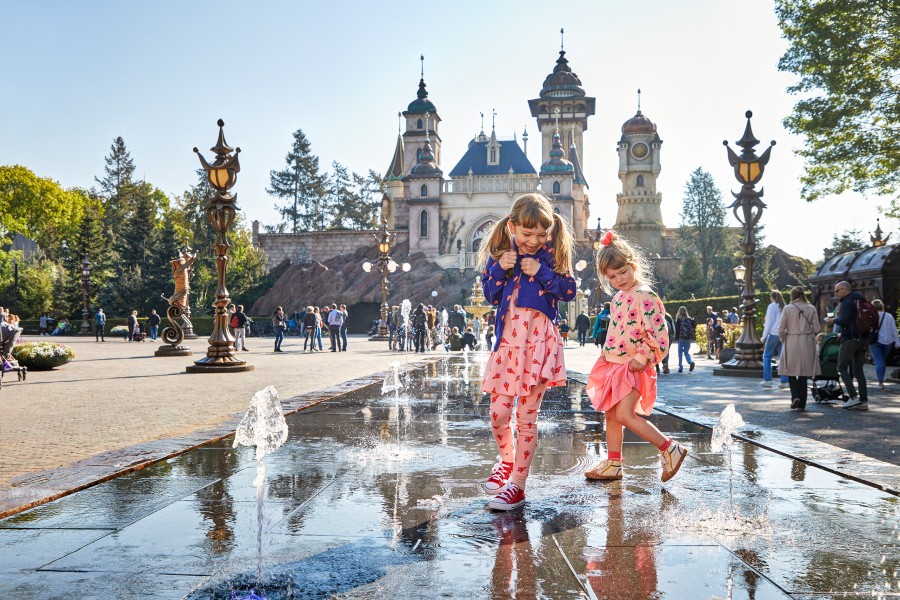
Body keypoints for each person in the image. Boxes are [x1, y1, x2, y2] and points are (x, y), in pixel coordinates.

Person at [478, 192, 577, 511]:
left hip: (538, 346)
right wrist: (498, 268)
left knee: (526, 418)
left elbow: (569, 291)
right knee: (498, 414)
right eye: (527, 233)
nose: (534, 240)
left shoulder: (551, 254)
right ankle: (506, 461)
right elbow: (491, 295)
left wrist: (541, 271)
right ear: (512, 226)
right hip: (508, 344)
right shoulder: (503, 253)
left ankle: (518, 485)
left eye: (540, 234)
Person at [584, 230, 685, 484]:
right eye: (612, 276)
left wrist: (645, 356)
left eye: (623, 272)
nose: (619, 279)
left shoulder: (645, 295)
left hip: (633, 367)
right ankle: (614, 463)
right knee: (610, 413)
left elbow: (660, 335)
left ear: (633, 266)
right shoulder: (619, 297)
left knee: (625, 415)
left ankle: (670, 448)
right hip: (615, 365)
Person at [826, 281, 869, 410]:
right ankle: (864, 401)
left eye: (837, 290)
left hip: (849, 339)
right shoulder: (860, 300)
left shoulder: (846, 302)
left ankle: (853, 397)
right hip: (863, 339)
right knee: (859, 371)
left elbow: (845, 320)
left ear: (845, 290)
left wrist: (832, 320)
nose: (835, 293)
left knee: (841, 367)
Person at [778, 286, 821, 410]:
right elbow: (817, 329)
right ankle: (802, 404)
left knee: (790, 372)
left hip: (791, 341)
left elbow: (781, 329)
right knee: (803, 373)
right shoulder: (811, 308)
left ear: (792, 296)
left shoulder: (787, 308)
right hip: (807, 342)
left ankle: (795, 396)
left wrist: (784, 340)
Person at [869, 299, 899, 390]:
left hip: (874, 341)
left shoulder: (871, 316)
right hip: (887, 342)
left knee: (879, 361)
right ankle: (881, 381)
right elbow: (894, 329)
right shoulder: (889, 316)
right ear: (882, 306)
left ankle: (880, 382)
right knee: (882, 361)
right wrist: (897, 341)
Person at [761, 291, 788, 388]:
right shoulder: (784, 306)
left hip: (773, 334)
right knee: (783, 358)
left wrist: (763, 337)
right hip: (783, 334)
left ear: (772, 297)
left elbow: (768, 323)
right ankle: (784, 381)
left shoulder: (771, 307)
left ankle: (768, 380)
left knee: (767, 356)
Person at [673, 306, 696, 373]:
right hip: (688, 338)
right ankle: (690, 362)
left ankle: (680, 366)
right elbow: (694, 326)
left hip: (681, 337)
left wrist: (676, 338)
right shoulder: (690, 319)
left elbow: (677, 329)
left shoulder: (679, 319)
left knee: (680, 353)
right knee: (686, 352)